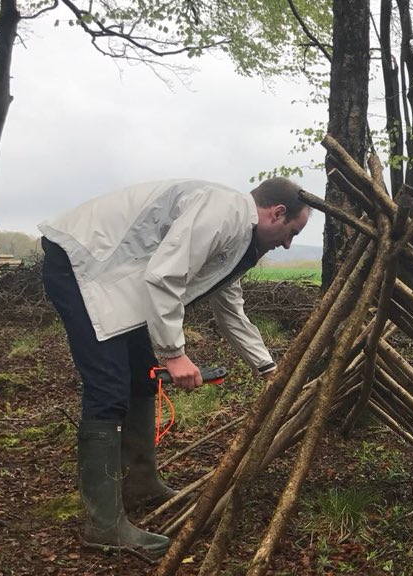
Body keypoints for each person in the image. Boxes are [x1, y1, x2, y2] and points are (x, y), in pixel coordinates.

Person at [38, 177, 311, 559]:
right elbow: (165, 275)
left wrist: (266, 368)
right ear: (277, 212)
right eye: (292, 232)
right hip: (84, 262)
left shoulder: (238, 239)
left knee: (141, 379)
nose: (287, 244)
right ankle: (103, 525)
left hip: (114, 279)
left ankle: (139, 483)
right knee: (108, 387)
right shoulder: (225, 213)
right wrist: (173, 353)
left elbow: (229, 308)